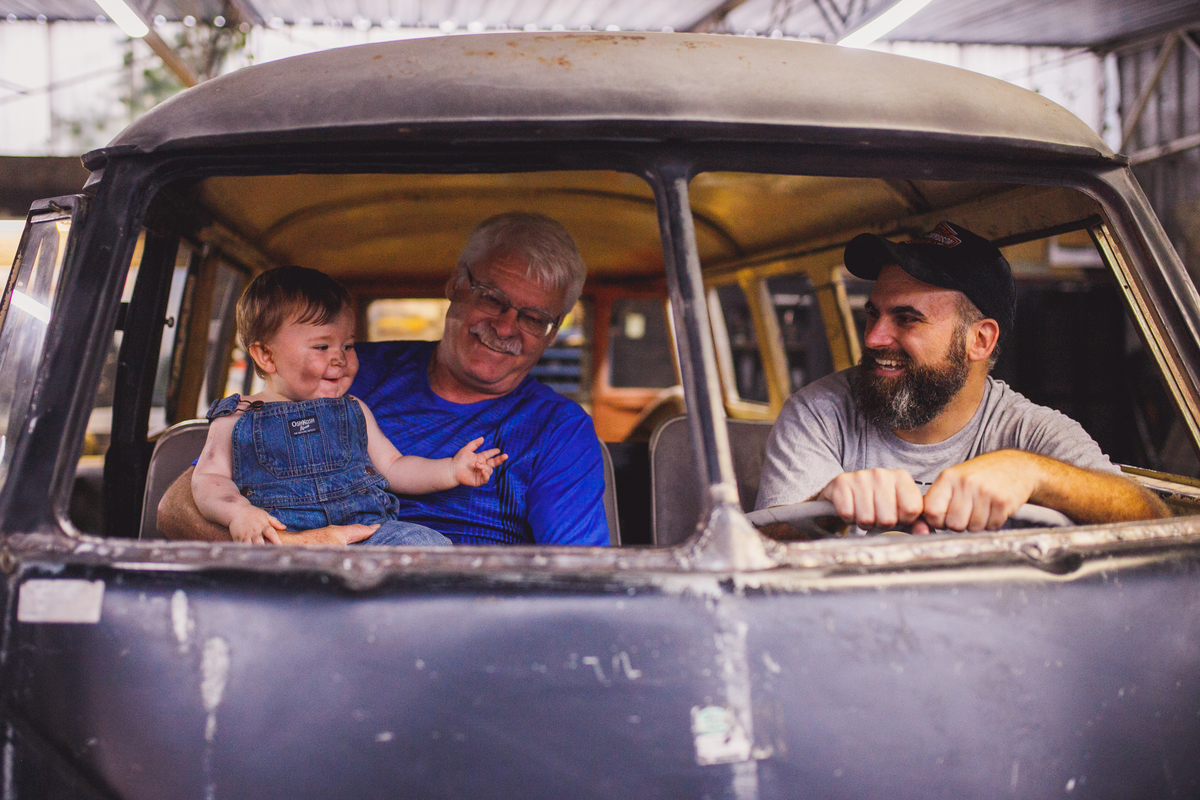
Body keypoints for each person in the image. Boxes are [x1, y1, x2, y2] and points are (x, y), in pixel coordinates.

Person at [159, 212, 610, 546]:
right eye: (492, 298)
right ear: (456, 285)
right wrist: (294, 551)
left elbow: (579, 579)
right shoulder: (336, 376)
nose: (507, 327)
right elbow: (177, 507)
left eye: (534, 318)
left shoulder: (559, 429)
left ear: (553, 331)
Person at [755, 221, 1168, 535]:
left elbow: (1154, 517)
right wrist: (827, 509)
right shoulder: (819, 414)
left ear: (980, 340)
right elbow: (760, 555)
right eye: (873, 314)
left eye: (906, 318)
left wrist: (1031, 473)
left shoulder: (1027, 432)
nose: (874, 338)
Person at [191, 266, 506, 546]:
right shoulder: (237, 418)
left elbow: (395, 466)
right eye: (322, 346)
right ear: (266, 356)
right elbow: (208, 480)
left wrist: (450, 469)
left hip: (367, 536)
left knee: (426, 542)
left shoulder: (354, 410)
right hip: (287, 540)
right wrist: (239, 513)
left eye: (348, 345)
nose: (339, 358)